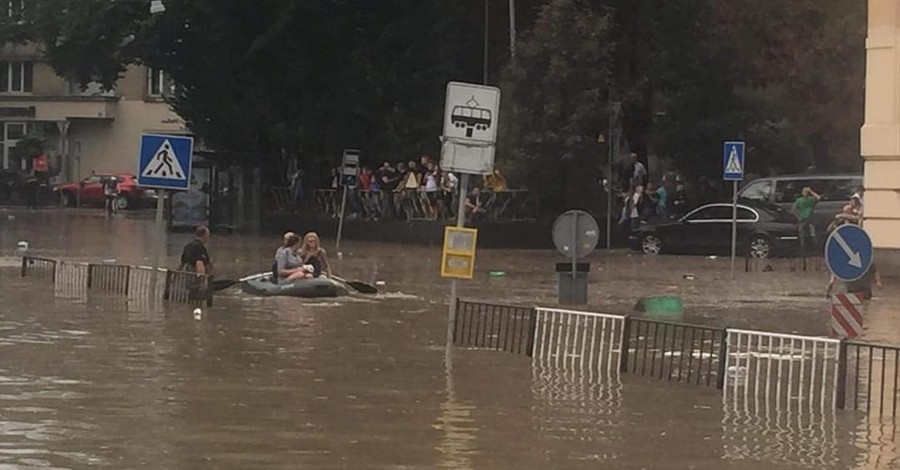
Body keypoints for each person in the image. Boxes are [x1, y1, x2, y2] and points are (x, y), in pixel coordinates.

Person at [792, 187, 821, 254]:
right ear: (802, 193)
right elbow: (793, 209)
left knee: (812, 234)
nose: (806, 193)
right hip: (802, 219)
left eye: (807, 192)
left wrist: (811, 191)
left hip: (810, 219)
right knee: (802, 234)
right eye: (804, 192)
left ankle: (815, 249)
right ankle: (803, 249)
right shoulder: (799, 200)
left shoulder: (811, 199)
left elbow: (818, 198)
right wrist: (798, 216)